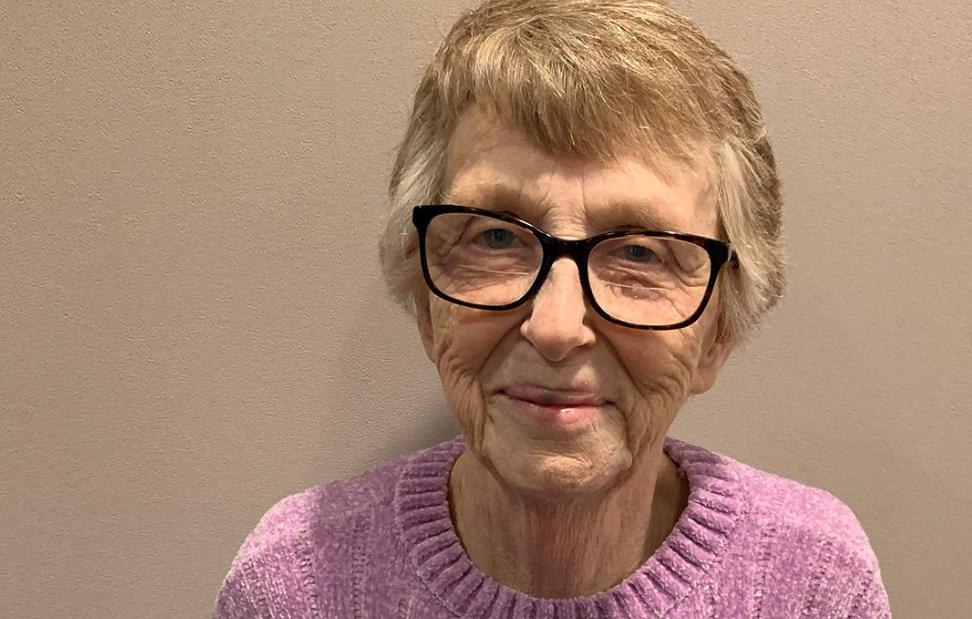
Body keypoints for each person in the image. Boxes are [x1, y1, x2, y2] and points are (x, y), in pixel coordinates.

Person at [213, 0, 891, 616]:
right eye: (495, 238)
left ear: (717, 333)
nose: (557, 327)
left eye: (640, 253)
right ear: (425, 302)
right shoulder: (296, 586)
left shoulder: (813, 584)